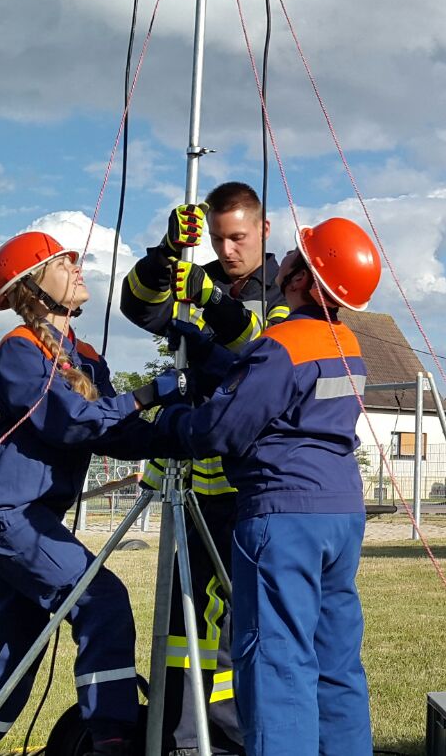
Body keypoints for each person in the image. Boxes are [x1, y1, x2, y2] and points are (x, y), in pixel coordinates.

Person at [157, 217, 380, 755]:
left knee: (278, 663)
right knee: (335, 661)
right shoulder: (345, 342)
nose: (282, 264)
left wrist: (168, 426)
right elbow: (287, 398)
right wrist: (220, 359)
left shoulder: (283, 345)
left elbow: (223, 428)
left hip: (283, 517)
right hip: (341, 516)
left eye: (294, 258)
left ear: (303, 279)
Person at [0, 231, 187, 756]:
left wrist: (181, 429)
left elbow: (116, 432)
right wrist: (152, 391)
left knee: (11, 642)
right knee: (100, 598)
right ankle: (111, 738)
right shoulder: (19, 351)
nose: (78, 266)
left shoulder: (84, 355)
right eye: (62, 263)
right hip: (6, 510)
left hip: (31, 514)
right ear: (33, 289)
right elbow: (71, 422)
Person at [120, 181, 286, 755]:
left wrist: (217, 307)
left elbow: (267, 357)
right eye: (218, 238)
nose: (227, 248)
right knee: (181, 624)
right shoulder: (196, 274)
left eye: (238, 237)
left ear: (264, 230)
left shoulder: (280, 288)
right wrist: (167, 253)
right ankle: (181, 734)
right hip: (186, 480)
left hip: (248, 481)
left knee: (239, 621)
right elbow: (139, 307)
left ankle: (235, 735)